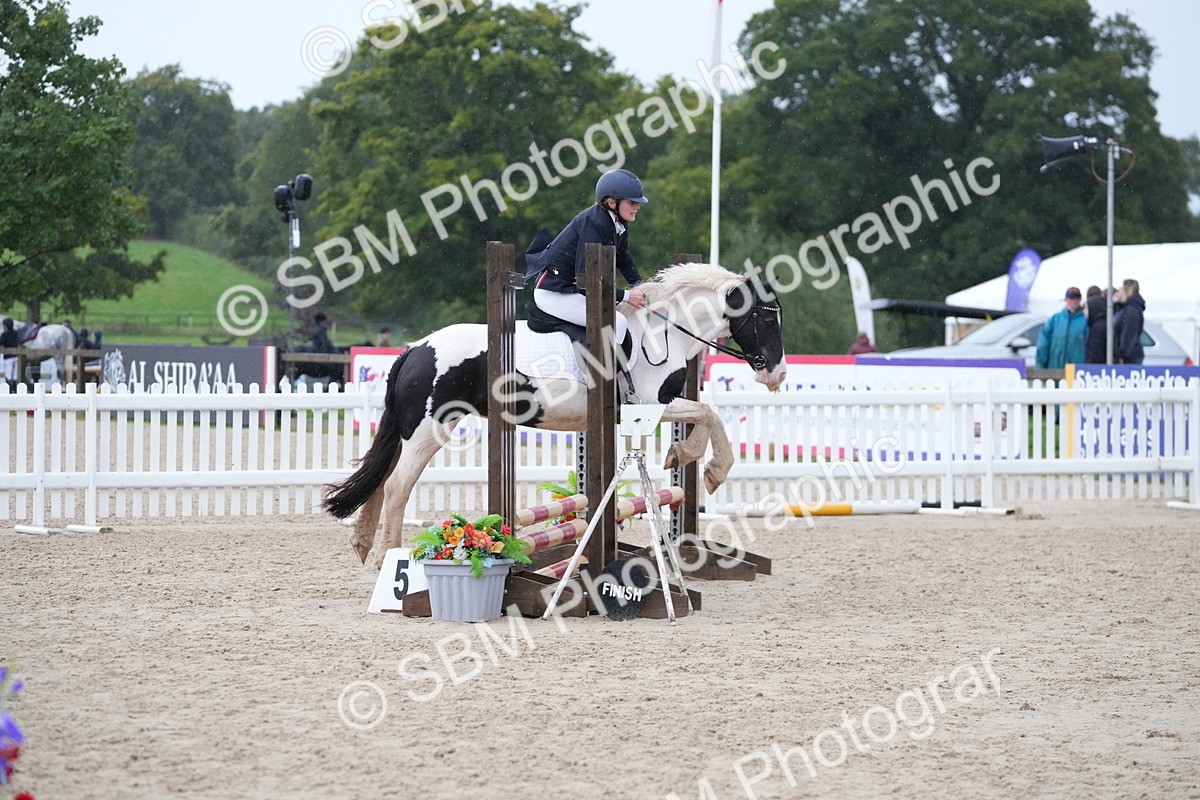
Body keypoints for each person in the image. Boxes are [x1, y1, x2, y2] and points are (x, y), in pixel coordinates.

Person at [524, 168, 650, 372]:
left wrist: (644, 288)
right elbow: (588, 284)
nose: (637, 207)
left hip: (571, 290)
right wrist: (626, 296)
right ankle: (602, 382)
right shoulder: (594, 223)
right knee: (616, 321)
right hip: (555, 293)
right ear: (612, 203)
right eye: (632, 202)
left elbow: (625, 261)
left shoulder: (617, 223)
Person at [1035, 286, 1087, 369]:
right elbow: (1043, 343)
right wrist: (1041, 364)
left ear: (1080, 299)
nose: (1074, 300)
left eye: (1077, 297)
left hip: (1077, 372)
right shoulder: (1055, 319)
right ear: (1066, 299)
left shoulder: (1086, 321)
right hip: (1055, 369)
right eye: (1071, 298)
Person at [1114, 278, 1146, 364]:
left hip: (1130, 356)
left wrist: (1122, 355)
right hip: (1131, 354)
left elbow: (1128, 334)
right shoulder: (1129, 308)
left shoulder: (1130, 310)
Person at [1084, 285, 1108, 363]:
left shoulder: (1097, 328)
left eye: (1086, 308)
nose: (1084, 311)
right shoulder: (1100, 323)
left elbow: (1095, 354)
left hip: (1096, 371)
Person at [1, 318, 20, 386]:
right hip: (16, 356)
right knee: (15, 375)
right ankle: (14, 389)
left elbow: (1, 342)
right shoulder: (16, 333)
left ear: (6, 326)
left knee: (8, 375)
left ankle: (9, 389)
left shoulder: (4, 334)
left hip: (8, 357)